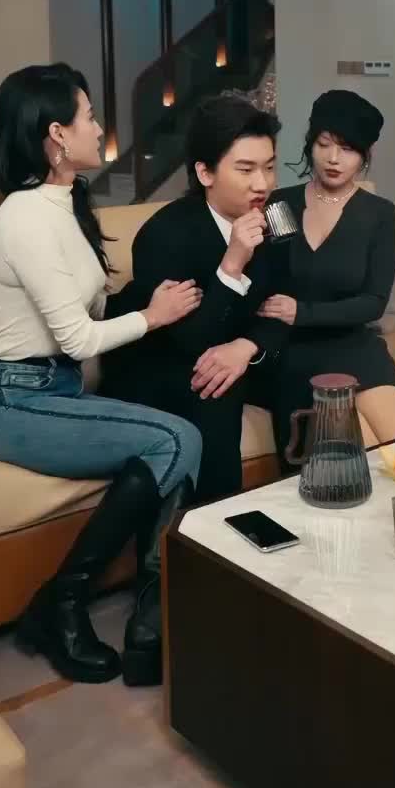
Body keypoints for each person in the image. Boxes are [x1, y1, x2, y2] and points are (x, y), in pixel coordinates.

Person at [0, 64, 204, 687]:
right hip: (5, 399)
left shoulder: (68, 206)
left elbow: (91, 312)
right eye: (89, 116)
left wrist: (159, 301)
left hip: (54, 390)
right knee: (177, 439)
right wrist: (152, 316)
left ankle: (151, 614)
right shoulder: (24, 215)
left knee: (179, 430)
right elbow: (76, 339)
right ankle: (62, 604)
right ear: (58, 135)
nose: (99, 127)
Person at [101, 93, 287, 504]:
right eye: (246, 169)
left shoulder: (275, 215)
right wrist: (233, 263)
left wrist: (247, 346)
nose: (263, 184)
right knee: (215, 383)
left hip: (230, 350)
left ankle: (310, 496)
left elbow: (284, 305)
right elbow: (194, 340)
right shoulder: (164, 235)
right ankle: (212, 524)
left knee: (311, 365)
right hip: (160, 364)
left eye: (270, 167)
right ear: (205, 172)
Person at [261, 89, 395, 447]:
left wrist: (302, 312)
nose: (333, 158)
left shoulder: (379, 214)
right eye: (324, 144)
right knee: (362, 452)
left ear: (365, 154)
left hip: (351, 344)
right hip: (293, 349)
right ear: (310, 143)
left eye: (347, 149)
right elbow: (270, 279)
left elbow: (373, 303)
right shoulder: (280, 205)